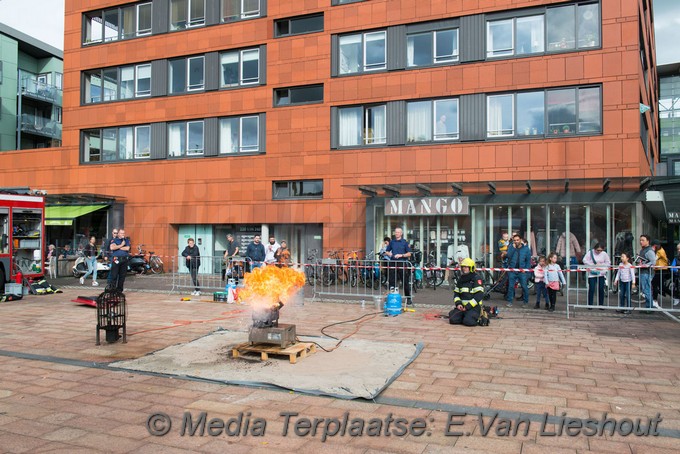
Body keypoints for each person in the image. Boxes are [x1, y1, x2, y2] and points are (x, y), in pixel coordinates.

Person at [448, 258, 484, 326]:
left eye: (466, 267)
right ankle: (465, 316)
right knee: (452, 320)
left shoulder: (476, 278)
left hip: (473, 307)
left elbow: (479, 296)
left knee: (468, 322)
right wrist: (458, 304)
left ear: (471, 268)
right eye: (463, 267)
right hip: (462, 307)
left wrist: (468, 307)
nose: (464, 268)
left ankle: (478, 317)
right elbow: (456, 294)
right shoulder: (461, 279)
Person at [385, 227, 413, 305]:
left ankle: (408, 298)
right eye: (395, 232)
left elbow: (409, 253)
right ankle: (392, 298)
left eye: (398, 232)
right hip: (393, 263)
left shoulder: (405, 242)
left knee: (405, 282)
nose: (396, 233)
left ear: (401, 233)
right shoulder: (392, 242)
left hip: (402, 263)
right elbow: (386, 251)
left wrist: (401, 255)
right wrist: (389, 253)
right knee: (392, 281)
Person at [582, 242, 611, 308]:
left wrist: (603, 268)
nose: (599, 252)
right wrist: (591, 265)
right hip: (592, 273)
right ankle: (590, 304)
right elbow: (584, 260)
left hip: (601, 273)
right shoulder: (590, 253)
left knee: (601, 289)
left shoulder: (604, 254)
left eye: (601, 250)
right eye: (598, 250)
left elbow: (608, 262)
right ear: (595, 249)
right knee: (591, 288)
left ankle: (601, 304)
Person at [505, 233, 531, 307]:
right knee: (511, 286)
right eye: (514, 240)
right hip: (512, 270)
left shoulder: (526, 249)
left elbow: (528, 260)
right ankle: (510, 301)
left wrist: (525, 269)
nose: (516, 241)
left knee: (524, 286)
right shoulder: (511, 247)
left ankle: (525, 302)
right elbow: (508, 256)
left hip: (522, 270)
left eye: (517, 240)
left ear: (520, 240)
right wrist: (512, 248)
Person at [637, 234, 657, 311]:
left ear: (648, 241)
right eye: (640, 240)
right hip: (642, 272)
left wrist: (645, 265)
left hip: (646, 273)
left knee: (646, 290)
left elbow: (653, 262)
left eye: (643, 240)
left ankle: (650, 307)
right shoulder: (642, 250)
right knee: (645, 290)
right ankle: (648, 306)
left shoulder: (649, 251)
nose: (641, 242)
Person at [651, 239, 669, 304]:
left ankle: (655, 300)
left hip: (661, 269)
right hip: (660, 269)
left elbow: (654, 258)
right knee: (661, 286)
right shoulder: (660, 250)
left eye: (654, 246)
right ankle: (675, 296)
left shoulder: (660, 252)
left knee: (654, 283)